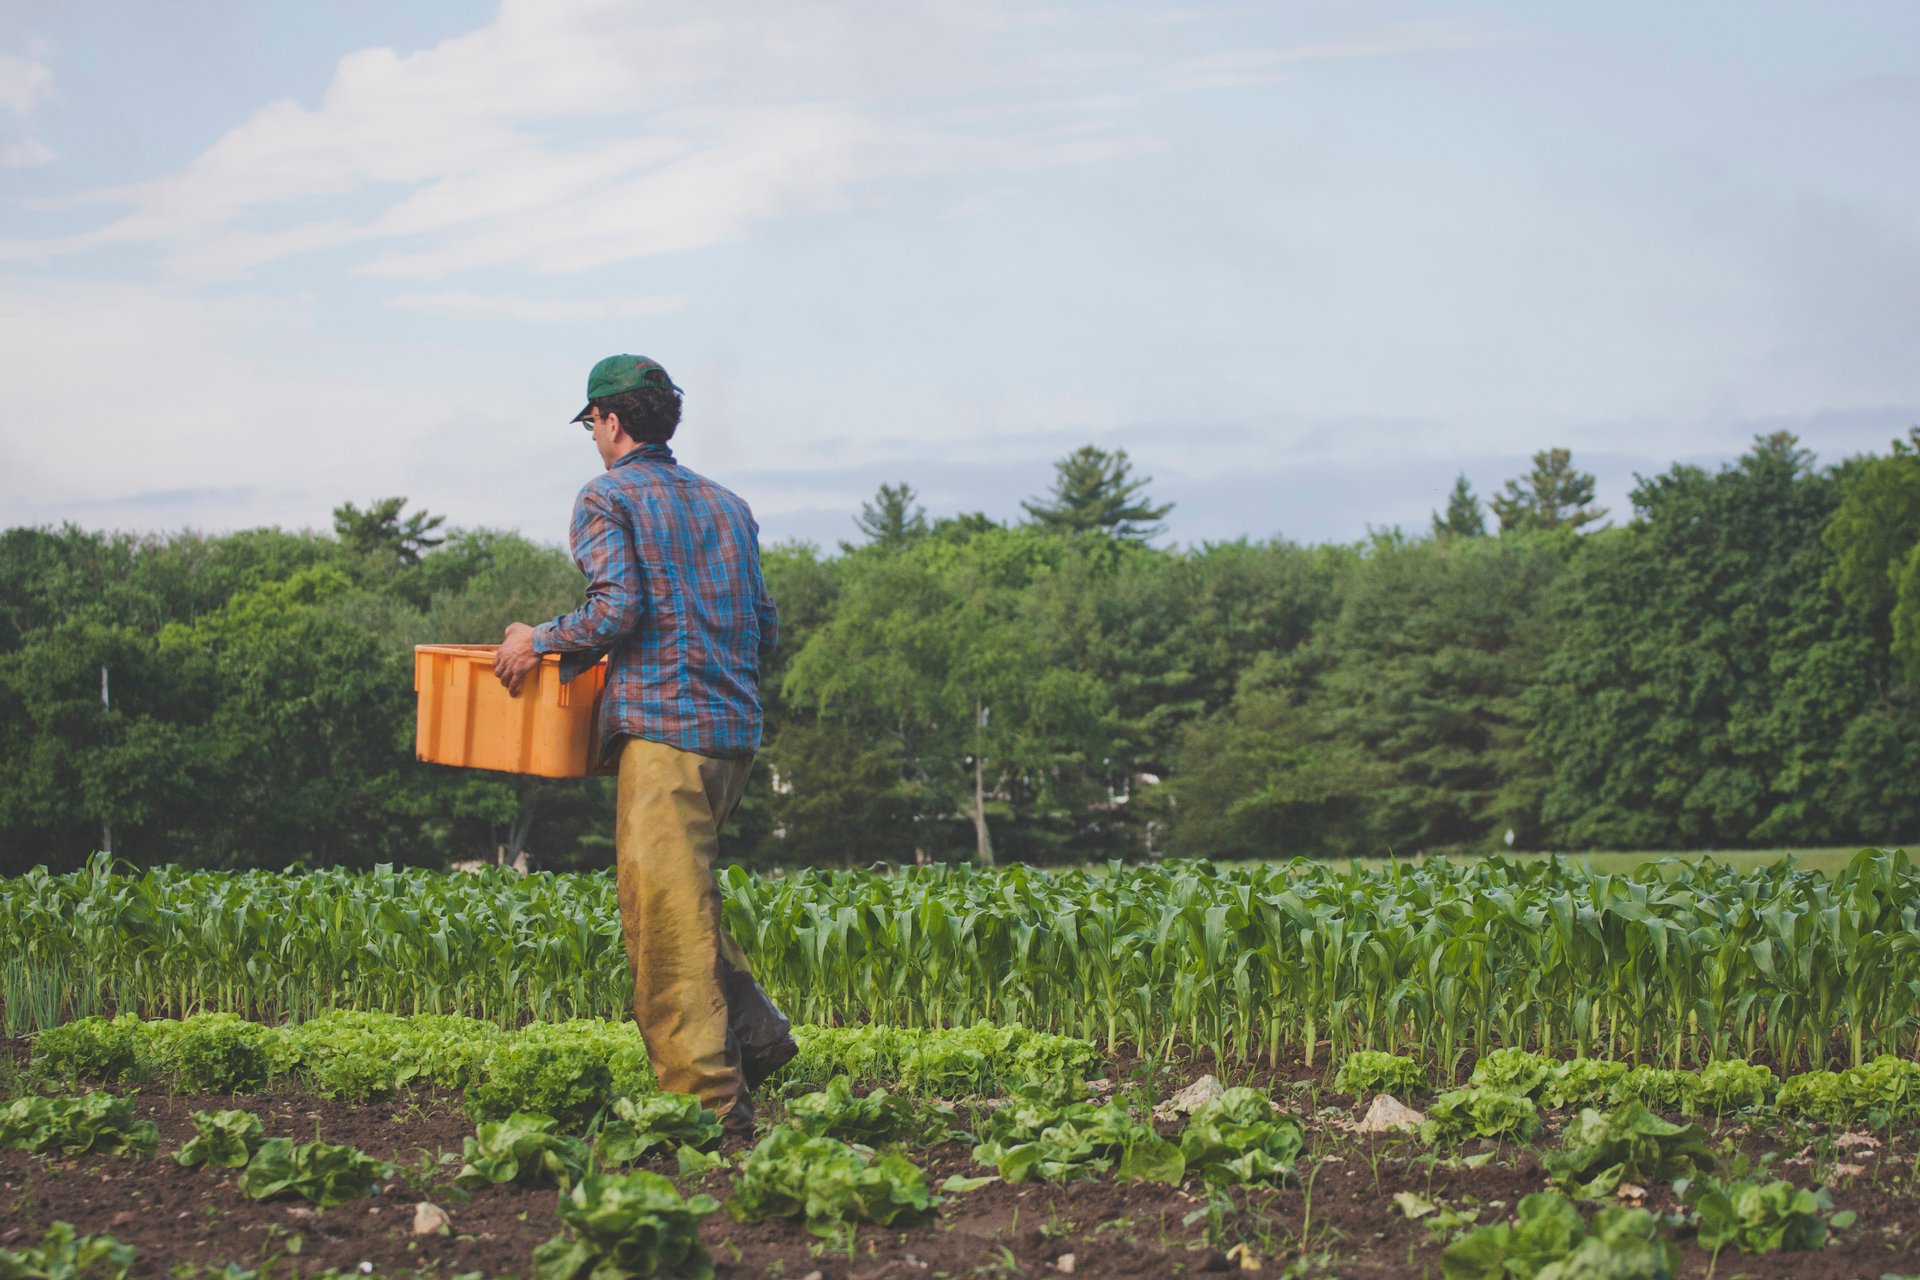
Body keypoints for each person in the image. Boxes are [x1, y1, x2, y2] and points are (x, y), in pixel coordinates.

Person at [492, 354, 795, 1137]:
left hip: (665, 738)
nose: (593, 436)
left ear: (612, 422)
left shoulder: (605, 497)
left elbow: (615, 609)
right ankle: (757, 1036)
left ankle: (706, 1107)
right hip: (733, 738)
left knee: (661, 918)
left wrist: (537, 641)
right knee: (684, 893)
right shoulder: (728, 506)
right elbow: (765, 627)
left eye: (592, 423)